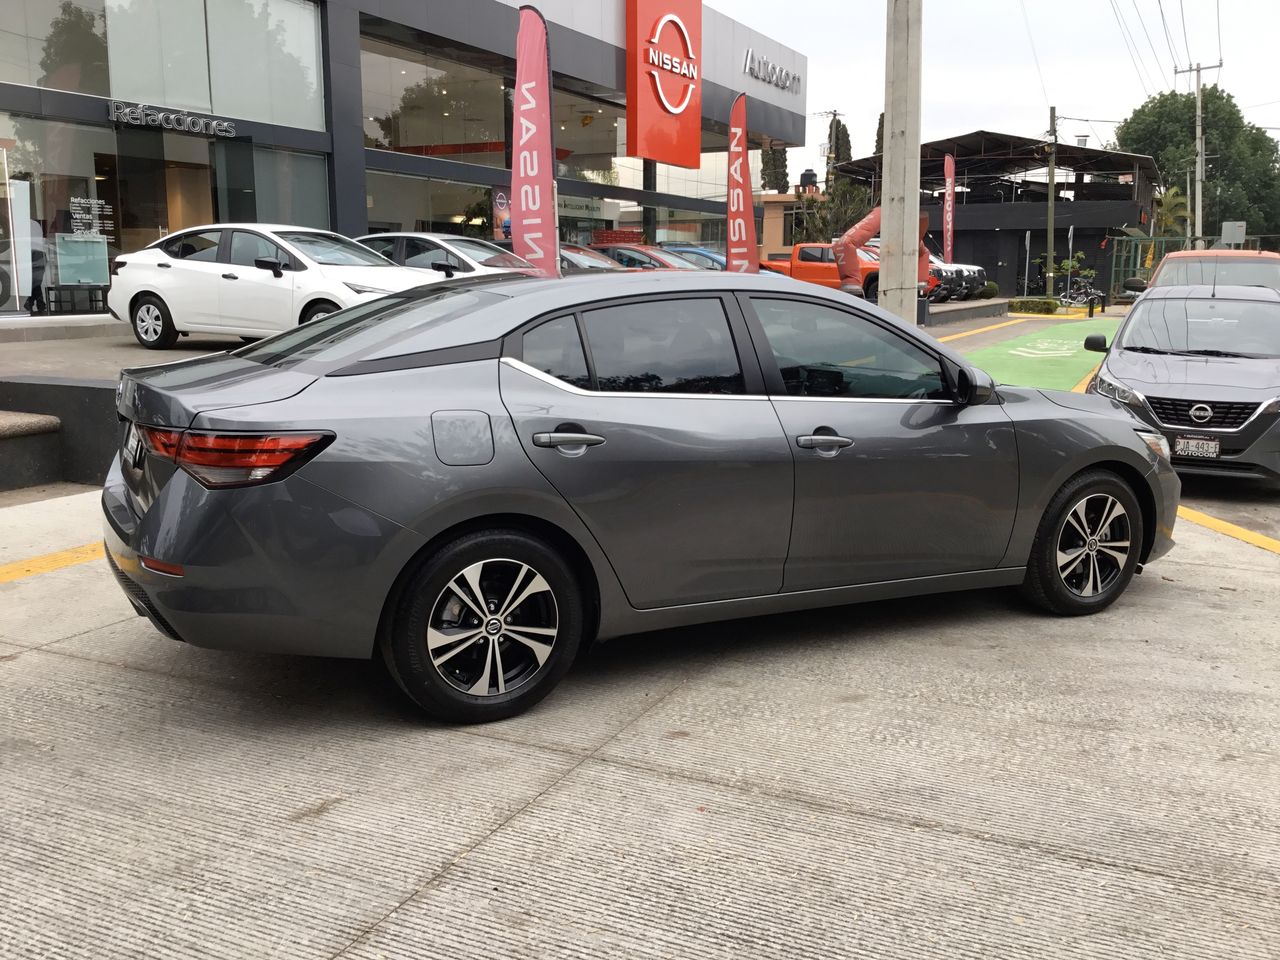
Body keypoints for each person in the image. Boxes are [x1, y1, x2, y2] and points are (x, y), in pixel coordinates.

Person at [23, 219, 46, 315]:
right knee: (36, 281)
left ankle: (31, 303)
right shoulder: (36, 224)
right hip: (40, 253)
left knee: (33, 281)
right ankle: (38, 304)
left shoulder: (22, 223)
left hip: (30, 252)